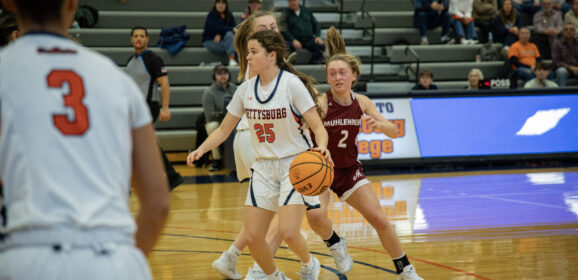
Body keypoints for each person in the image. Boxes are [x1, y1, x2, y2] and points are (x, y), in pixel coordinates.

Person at [0, 0, 170, 279]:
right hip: (115, 259)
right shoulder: (116, 79)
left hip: (27, 256)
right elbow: (157, 204)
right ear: (72, 4)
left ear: (8, 3)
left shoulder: (6, 71)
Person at [211, 12, 351, 280]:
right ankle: (262, 268)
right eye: (264, 28)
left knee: (286, 216)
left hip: (262, 142)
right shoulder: (263, 64)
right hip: (264, 144)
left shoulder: (272, 65)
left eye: (274, 26)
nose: (272, 29)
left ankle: (237, 258)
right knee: (279, 216)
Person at [188, 30, 331, 280]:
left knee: (288, 231)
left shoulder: (291, 84)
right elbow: (223, 130)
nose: (248, 57)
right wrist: (201, 149)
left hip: (294, 164)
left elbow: (317, 125)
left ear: (271, 55)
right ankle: (275, 277)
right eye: (248, 52)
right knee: (254, 236)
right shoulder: (245, 90)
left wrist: (322, 146)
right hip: (263, 166)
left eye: (254, 52)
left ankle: (310, 264)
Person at [315, 26, 424, 280]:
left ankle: (405, 269)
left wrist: (380, 125)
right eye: (332, 74)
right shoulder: (321, 102)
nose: (337, 78)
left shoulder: (362, 102)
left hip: (349, 170)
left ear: (354, 75)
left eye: (342, 73)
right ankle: (335, 242)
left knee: (380, 219)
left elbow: (394, 132)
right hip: (322, 169)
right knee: (317, 218)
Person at [126, 26, 184, 191]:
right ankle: (171, 176)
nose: (139, 39)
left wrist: (165, 108)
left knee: (136, 141)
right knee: (145, 143)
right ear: (131, 39)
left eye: (142, 36)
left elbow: (164, 83)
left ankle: (131, 182)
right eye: (136, 36)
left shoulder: (153, 59)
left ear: (147, 39)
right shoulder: (131, 61)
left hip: (148, 106)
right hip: (133, 108)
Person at [203, 65, 237, 171]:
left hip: (234, 119)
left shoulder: (234, 89)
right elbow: (209, 116)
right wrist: (223, 114)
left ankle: (239, 159)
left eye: (225, 73)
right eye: (219, 74)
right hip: (217, 121)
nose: (223, 76)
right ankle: (216, 160)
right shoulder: (209, 93)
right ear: (215, 76)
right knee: (212, 127)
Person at [203, 0, 237, 66]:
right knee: (232, 45)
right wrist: (226, 30)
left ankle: (232, 59)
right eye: (218, 3)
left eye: (223, 3)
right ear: (215, 5)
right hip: (211, 41)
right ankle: (232, 57)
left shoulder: (229, 15)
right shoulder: (211, 16)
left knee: (230, 35)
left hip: (224, 41)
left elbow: (234, 29)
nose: (220, 5)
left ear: (226, 5)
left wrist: (220, 34)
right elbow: (214, 28)